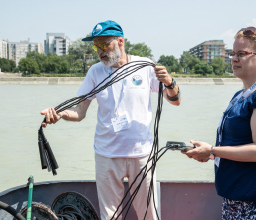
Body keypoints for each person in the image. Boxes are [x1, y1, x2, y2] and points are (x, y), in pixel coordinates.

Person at [40, 20, 181, 220]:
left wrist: (169, 82)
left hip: (141, 155)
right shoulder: (95, 72)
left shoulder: (145, 66)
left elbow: (175, 100)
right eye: (96, 46)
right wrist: (60, 113)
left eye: (105, 44)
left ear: (120, 41)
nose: (100, 51)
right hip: (106, 155)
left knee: (148, 215)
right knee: (110, 217)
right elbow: (80, 111)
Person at [183, 27, 256, 219]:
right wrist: (209, 155)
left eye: (242, 54)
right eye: (232, 53)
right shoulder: (239, 96)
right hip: (234, 202)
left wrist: (213, 150)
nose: (233, 58)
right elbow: (236, 145)